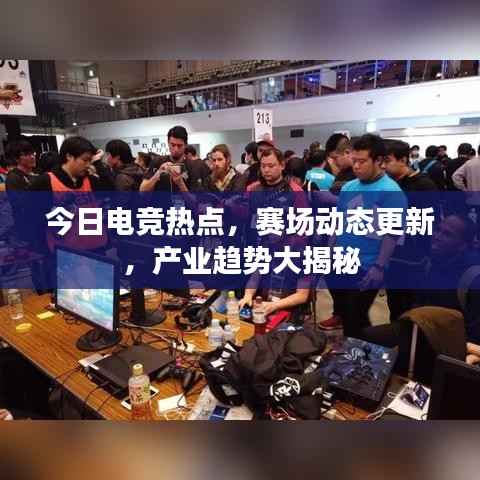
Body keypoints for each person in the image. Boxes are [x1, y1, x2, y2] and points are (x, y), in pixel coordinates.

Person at [325, 134, 407, 338]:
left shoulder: (390, 191)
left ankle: (359, 350)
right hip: (341, 259)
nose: (356, 166)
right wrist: (328, 251)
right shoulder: (349, 186)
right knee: (346, 311)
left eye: (362, 161)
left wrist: (379, 267)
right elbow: (338, 220)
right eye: (354, 160)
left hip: (367, 265)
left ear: (378, 161)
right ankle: (352, 345)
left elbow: (392, 234)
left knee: (355, 315)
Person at [381, 139, 440, 321]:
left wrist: (426, 253)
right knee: (394, 306)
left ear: (402, 160)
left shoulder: (424, 186)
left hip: (413, 259)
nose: (383, 166)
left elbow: (432, 223)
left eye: (387, 160)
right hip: (391, 256)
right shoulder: (389, 185)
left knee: (410, 310)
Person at [416, 214, 480, 344]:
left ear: (462, 246)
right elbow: (418, 305)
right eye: (438, 230)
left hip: (457, 346)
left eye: (447, 234)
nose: (437, 236)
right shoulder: (430, 264)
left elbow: (475, 336)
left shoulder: (474, 279)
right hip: (425, 335)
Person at [140, 126, 201, 192]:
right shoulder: (157, 161)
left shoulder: (193, 167)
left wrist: (181, 184)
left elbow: (194, 198)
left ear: (185, 145)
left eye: (179, 146)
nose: (176, 149)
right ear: (168, 143)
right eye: (173, 145)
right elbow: (142, 192)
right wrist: (158, 173)